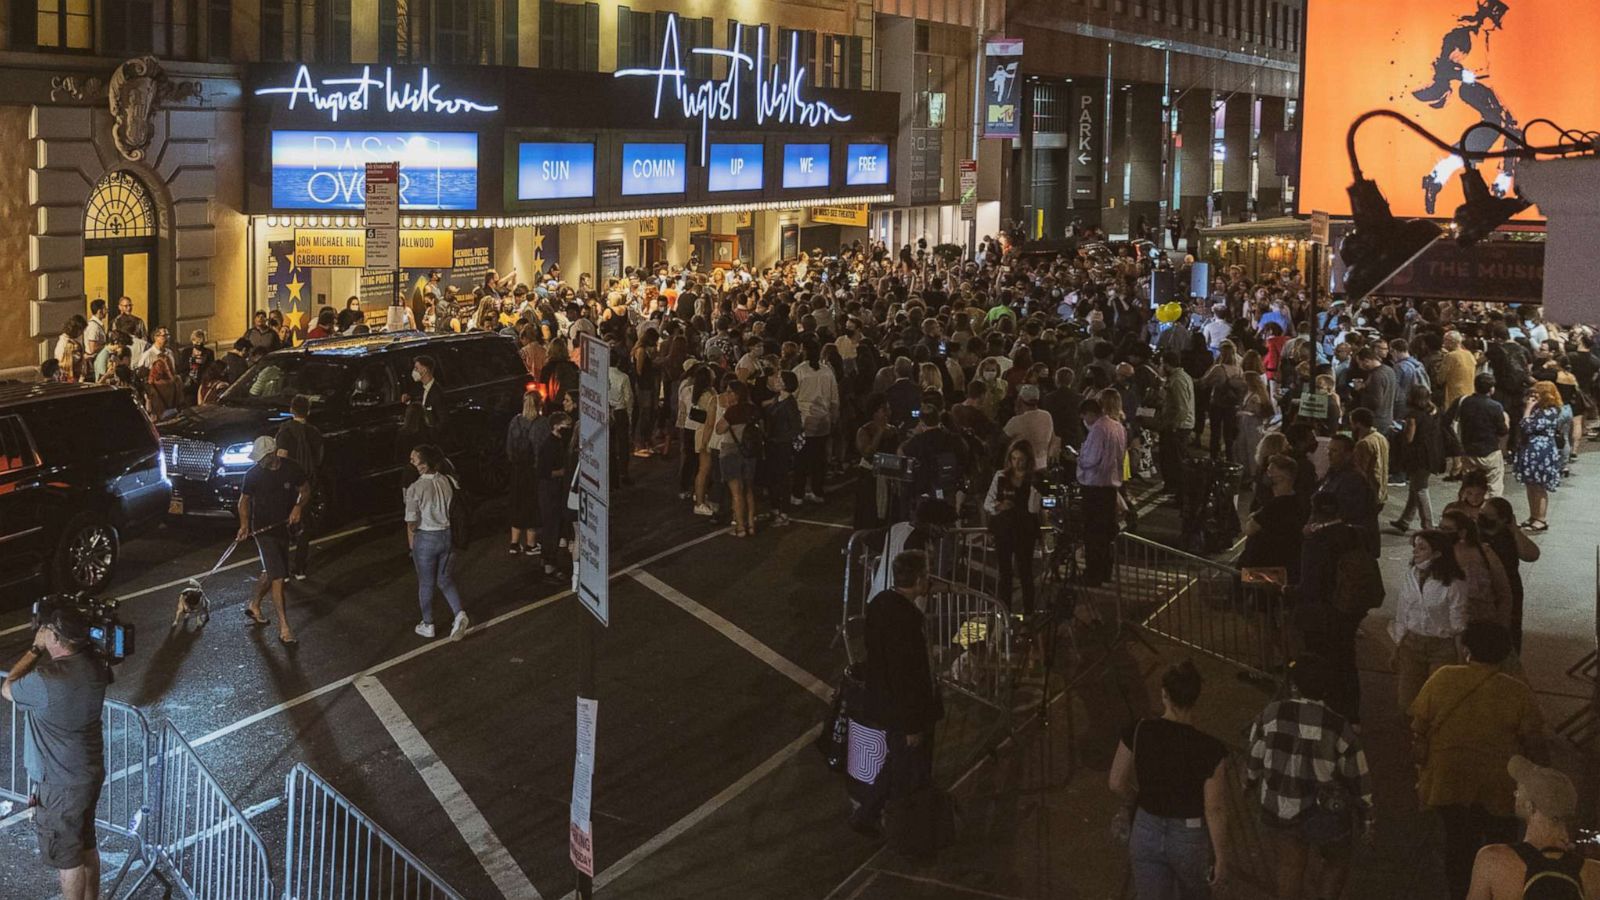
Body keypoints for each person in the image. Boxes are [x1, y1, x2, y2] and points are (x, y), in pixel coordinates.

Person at [1411, 622, 1549, 900]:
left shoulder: (1443, 677)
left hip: (1449, 781)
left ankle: (1462, 892)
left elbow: (1419, 725)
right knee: (1501, 846)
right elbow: (1535, 741)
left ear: (1467, 650)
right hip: (1498, 786)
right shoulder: (1517, 691)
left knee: (1458, 844)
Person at [2, 606, 111, 900]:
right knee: (86, 845)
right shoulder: (95, 667)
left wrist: (35, 649)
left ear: (54, 636)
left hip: (60, 784)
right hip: (88, 772)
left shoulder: (47, 679)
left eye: (46, 630)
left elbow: (8, 688)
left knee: (68, 859)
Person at [1245, 654, 1374, 900]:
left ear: (1295, 686)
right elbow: (1358, 775)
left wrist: (1249, 782)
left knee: (1290, 865)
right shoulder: (1337, 726)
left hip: (1280, 806)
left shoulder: (1271, 713)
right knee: (1337, 860)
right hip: (1323, 810)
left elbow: (1255, 757)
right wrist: (1367, 814)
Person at [1108, 660, 1229, 900]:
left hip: (1146, 827)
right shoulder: (1210, 749)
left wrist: (1136, 799)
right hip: (1188, 834)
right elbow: (1214, 808)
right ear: (1195, 698)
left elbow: (1115, 782)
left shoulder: (1139, 730)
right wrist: (1222, 859)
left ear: (1164, 694)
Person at [852, 550, 943, 836]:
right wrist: (912, 725)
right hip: (904, 710)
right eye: (926, 575)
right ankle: (895, 824)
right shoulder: (907, 621)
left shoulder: (880, 605)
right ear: (918, 580)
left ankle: (871, 815)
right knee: (903, 769)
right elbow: (908, 677)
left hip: (884, 700)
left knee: (898, 764)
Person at [1465, 756, 1600, 899]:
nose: (1514, 794)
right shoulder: (1594, 873)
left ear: (1530, 807)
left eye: (1518, 792)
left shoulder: (1493, 860)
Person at [238, 435, 308, 645]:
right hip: (263, 530)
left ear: (272, 454)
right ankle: (284, 627)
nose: (258, 461)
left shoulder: (292, 468)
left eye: (262, 457)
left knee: (271, 572)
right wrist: (244, 525)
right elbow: (244, 501)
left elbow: (305, 490)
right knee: (279, 578)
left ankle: (255, 604)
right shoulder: (253, 475)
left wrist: (298, 507)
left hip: (283, 529)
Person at [1391, 529, 1469, 715]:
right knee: (1407, 703)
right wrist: (1397, 647)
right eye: (1415, 546)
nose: (1415, 551)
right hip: (1411, 644)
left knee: (1437, 702)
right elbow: (1402, 613)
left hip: (1441, 648)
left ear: (1437, 553)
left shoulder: (1454, 583)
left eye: (1422, 548)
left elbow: (1458, 624)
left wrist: (1460, 660)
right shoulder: (1410, 574)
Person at [404, 444, 470, 639]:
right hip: (448, 536)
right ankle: (459, 613)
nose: (411, 461)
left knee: (425, 583)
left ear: (423, 463)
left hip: (426, 537)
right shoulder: (449, 481)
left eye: (414, 458)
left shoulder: (415, 488)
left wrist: (413, 538)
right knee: (445, 578)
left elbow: (411, 521)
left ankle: (428, 623)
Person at [983, 440, 1044, 613]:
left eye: (1021, 459)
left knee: (1025, 572)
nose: (1017, 463)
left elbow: (1033, 508)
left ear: (1028, 460)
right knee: (1005, 573)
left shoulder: (1034, 479)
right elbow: (988, 502)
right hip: (1004, 528)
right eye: (1014, 458)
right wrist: (999, 506)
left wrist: (1034, 489)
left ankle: (1028, 613)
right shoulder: (1001, 476)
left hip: (1025, 529)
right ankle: (1005, 612)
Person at [1477, 497, 1539, 653]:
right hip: (1484, 589)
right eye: (1482, 514)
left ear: (1504, 519)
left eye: (1488, 516)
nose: (1482, 519)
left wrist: (1515, 530)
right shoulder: (1476, 534)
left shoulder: (1509, 536)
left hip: (1510, 589)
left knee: (1510, 633)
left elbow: (1531, 555)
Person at [274, 394, 324, 580]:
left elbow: (281, 457)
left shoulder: (285, 431)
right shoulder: (315, 433)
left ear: (291, 410)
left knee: (285, 527)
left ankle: (283, 570)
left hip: (288, 484)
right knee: (304, 525)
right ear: (308, 412)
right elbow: (319, 459)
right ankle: (300, 567)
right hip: (307, 483)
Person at [1078, 396, 1127, 585]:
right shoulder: (1118, 426)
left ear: (1090, 413)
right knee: (1106, 534)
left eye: (1085, 416)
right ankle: (1106, 571)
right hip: (1111, 487)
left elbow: (1090, 459)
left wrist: (1079, 458)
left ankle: (1093, 574)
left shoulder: (1098, 429)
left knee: (1093, 534)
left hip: (1095, 487)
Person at [792, 338, 840, 505]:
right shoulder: (827, 371)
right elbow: (835, 398)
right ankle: (817, 490)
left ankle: (798, 493)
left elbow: (792, 396)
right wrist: (834, 418)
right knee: (819, 458)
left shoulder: (799, 371)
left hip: (804, 422)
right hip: (823, 421)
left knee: (801, 458)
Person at [1393, 383, 1446, 531]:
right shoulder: (1434, 411)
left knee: (1420, 489)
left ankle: (1428, 524)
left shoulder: (1413, 415)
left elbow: (1409, 437)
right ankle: (1405, 520)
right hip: (1433, 453)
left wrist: (1399, 431)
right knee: (1415, 487)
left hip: (1418, 456)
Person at [1316, 434, 1379, 556]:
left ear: (1348, 454)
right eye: (1328, 449)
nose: (1329, 454)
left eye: (1334, 451)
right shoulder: (1333, 472)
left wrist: (1320, 526)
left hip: (1347, 545)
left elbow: (1349, 514)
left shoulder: (1354, 479)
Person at [1448, 373, 1509, 497]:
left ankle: (1467, 508)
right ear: (1491, 389)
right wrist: (1506, 421)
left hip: (1469, 450)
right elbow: (1502, 431)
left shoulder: (1463, 402)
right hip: (1490, 451)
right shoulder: (1495, 406)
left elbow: (1446, 422)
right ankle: (1491, 510)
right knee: (1494, 486)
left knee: (1469, 484)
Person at [1514, 381, 1563, 532]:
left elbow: (1526, 426)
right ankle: (1533, 515)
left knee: (1539, 486)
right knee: (1531, 485)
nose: (1532, 397)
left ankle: (1541, 519)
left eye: (1536, 394)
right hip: (1531, 449)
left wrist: (1528, 409)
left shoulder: (1551, 411)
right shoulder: (1538, 410)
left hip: (1541, 451)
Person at [505, 391, 548, 556]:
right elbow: (541, 450)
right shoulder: (542, 423)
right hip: (532, 471)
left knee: (517, 503)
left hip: (517, 470)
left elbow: (509, 448)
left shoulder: (515, 421)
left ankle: (514, 543)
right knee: (532, 505)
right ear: (539, 404)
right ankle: (531, 544)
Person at [715, 380, 760, 537]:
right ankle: (751, 524)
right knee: (749, 489)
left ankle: (740, 527)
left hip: (731, 452)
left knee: (736, 492)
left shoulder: (732, 411)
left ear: (736, 394)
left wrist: (725, 412)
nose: (726, 394)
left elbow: (719, 429)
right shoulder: (753, 409)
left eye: (729, 391)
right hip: (750, 451)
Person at [536, 412, 575, 576]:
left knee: (553, 526)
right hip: (549, 491)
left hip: (554, 491)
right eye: (566, 426)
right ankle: (549, 566)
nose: (569, 429)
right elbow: (544, 471)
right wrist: (563, 472)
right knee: (551, 527)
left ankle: (547, 560)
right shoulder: (549, 445)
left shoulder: (558, 442)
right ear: (556, 426)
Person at [1154, 351, 1195, 494]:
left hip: (1177, 427)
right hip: (1175, 425)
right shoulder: (1177, 377)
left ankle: (1179, 491)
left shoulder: (1177, 380)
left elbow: (1181, 407)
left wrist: (1173, 426)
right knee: (1170, 459)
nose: (1159, 367)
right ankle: (1172, 487)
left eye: (1161, 364)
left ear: (1167, 364)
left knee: (1175, 461)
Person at [1200, 341, 1245, 458]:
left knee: (1215, 432)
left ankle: (1214, 457)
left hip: (1217, 403)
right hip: (1232, 404)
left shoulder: (1218, 369)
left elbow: (1204, 382)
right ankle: (1229, 457)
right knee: (1228, 433)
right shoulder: (1239, 370)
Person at [1003, 384, 1055, 471]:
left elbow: (1002, 439)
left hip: (1022, 467)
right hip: (1042, 465)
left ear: (1019, 400)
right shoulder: (1047, 415)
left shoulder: (1017, 421)